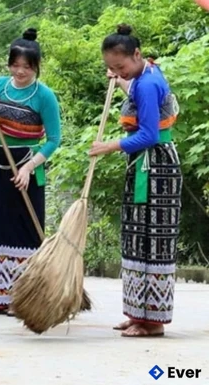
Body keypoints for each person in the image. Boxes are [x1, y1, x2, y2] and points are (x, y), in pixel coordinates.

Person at [90, 24, 182, 338]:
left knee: (152, 243)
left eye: (121, 66)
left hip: (156, 168)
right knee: (136, 239)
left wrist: (108, 146)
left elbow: (148, 133)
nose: (118, 72)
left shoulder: (146, 84)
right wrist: (120, 83)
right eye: (112, 68)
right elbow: (141, 102)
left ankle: (153, 320)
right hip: (146, 164)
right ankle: (137, 313)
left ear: (137, 55)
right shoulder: (145, 75)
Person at [0, 28, 62, 316]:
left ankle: (24, 296)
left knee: (25, 228)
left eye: (27, 66)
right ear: (9, 64)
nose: (20, 71)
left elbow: (53, 140)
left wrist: (28, 168)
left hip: (28, 164)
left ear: (36, 67)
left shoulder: (44, 96)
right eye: (15, 65)